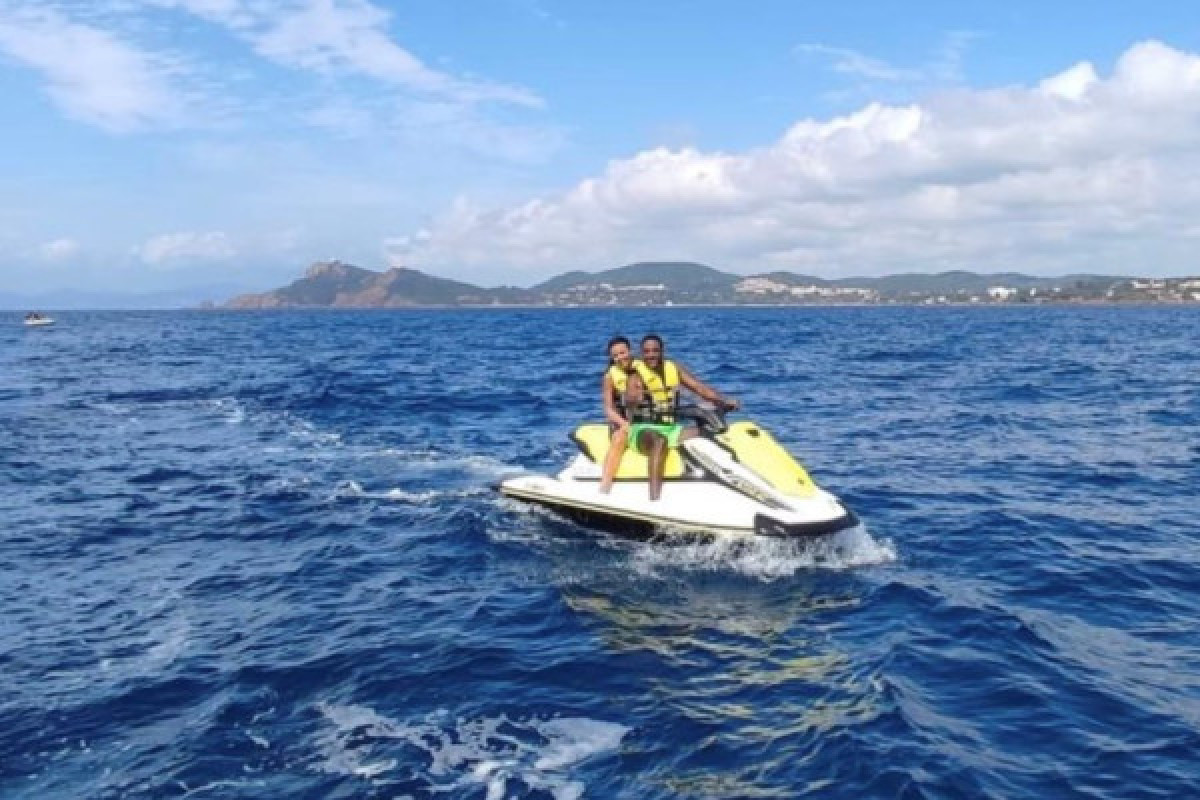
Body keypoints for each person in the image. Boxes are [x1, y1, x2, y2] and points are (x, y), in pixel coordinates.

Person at [627, 333, 740, 501]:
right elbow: (630, 400)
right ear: (642, 353)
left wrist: (723, 400)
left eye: (655, 351)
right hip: (643, 430)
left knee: (711, 432)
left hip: (672, 429)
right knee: (659, 441)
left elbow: (699, 387)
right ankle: (654, 500)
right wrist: (635, 398)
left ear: (662, 351)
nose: (651, 355)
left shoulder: (673, 368)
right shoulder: (635, 376)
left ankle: (734, 484)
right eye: (647, 351)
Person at [598, 336, 641, 493]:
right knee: (619, 438)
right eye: (615, 356)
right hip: (621, 421)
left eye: (622, 353)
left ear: (630, 351)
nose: (619, 358)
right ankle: (605, 486)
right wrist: (624, 425)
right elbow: (608, 409)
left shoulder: (643, 368)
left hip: (645, 418)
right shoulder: (609, 377)